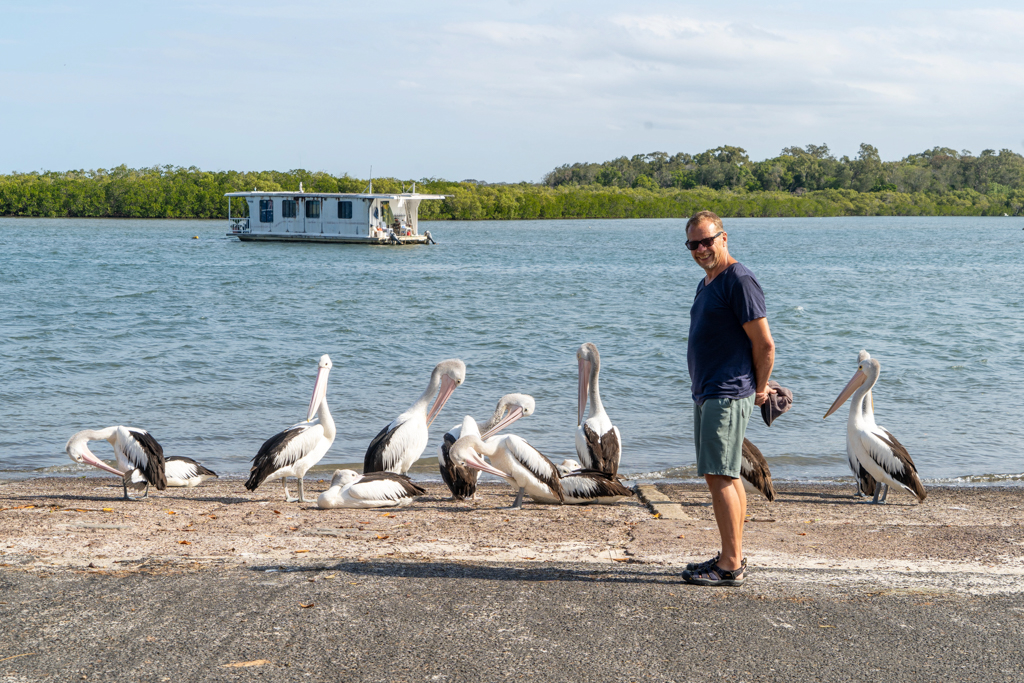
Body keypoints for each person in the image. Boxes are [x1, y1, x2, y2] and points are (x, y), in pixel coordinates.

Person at [681, 210, 775, 587]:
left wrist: (760, 389)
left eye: (708, 240)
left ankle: (730, 565)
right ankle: (728, 554)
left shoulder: (739, 279)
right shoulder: (708, 282)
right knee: (727, 474)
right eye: (694, 243)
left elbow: (765, 345)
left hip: (726, 391)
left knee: (719, 475)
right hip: (707, 391)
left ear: (723, 237)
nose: (702, 248)